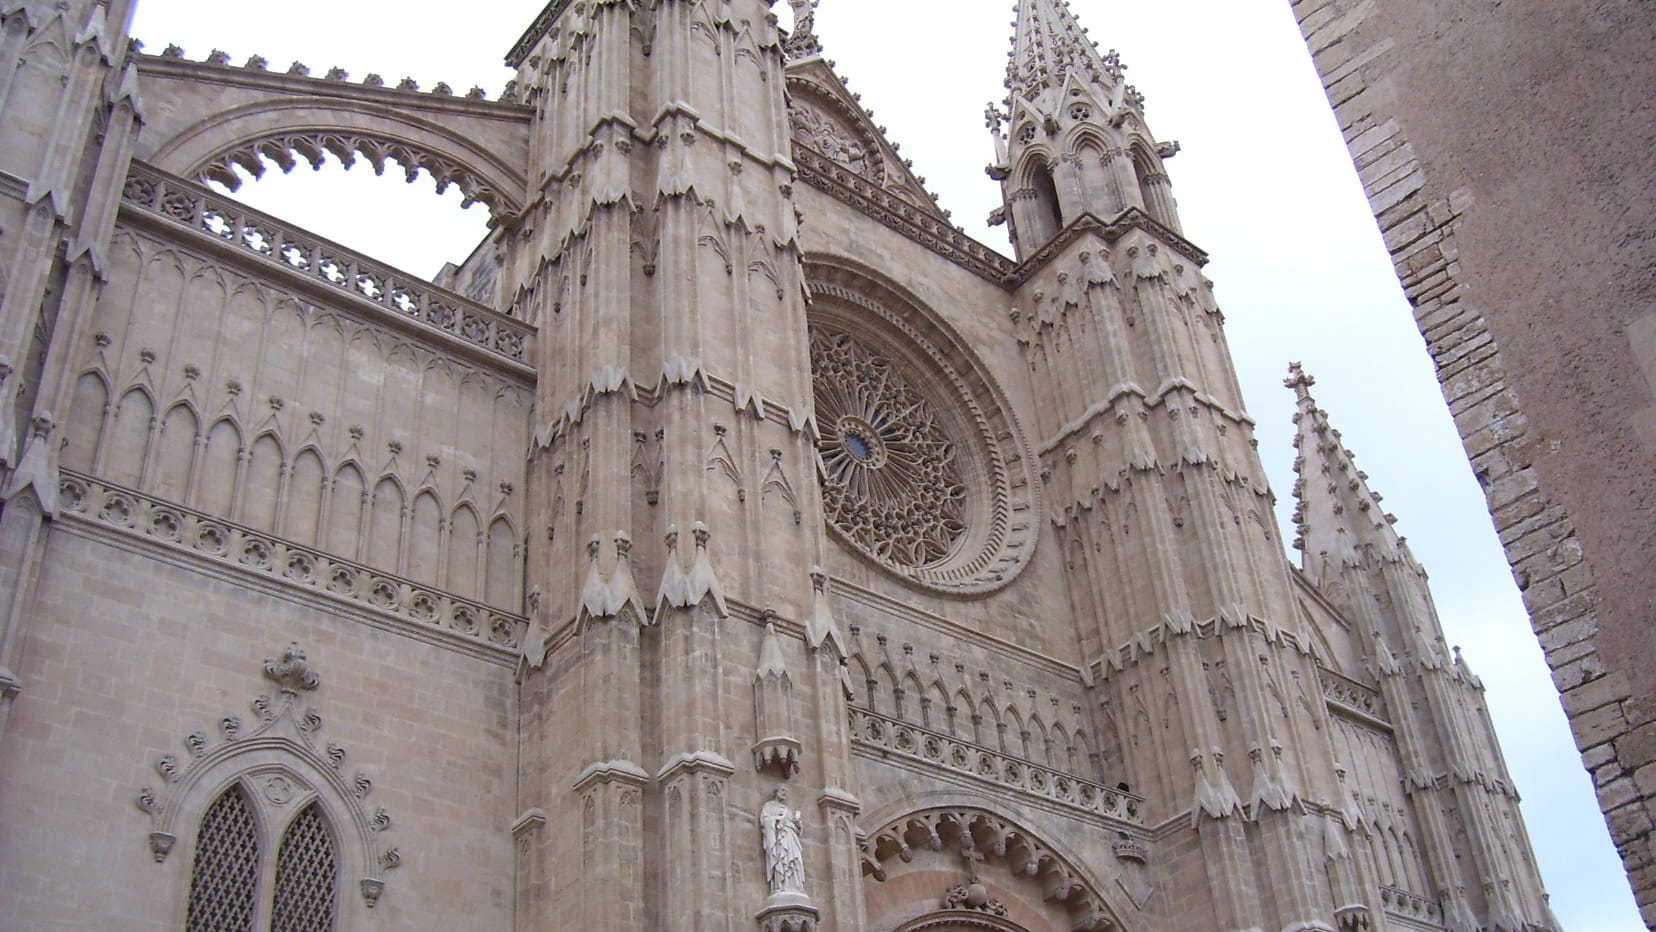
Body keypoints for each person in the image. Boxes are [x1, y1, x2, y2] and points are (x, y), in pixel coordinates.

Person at [761, 784, 806, 895]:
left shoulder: (788, 810)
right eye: (782, 790)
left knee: (793, 860)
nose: (784, 793)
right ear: (776, 792)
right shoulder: (769, 806)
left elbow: (795, 827)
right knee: (781, 860)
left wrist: (798, 824)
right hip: (779, 838)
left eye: (786, 791)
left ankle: (794, 885)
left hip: (790, 837)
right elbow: (764, 821)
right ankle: (781, 885)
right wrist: (777, 819)